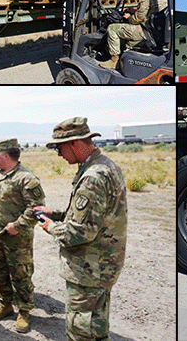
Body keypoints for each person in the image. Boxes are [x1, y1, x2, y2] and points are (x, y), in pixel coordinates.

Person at [34, 117, 128, 341]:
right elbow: (96, 215)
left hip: (89, 269)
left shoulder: (92, 178)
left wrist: (51, 227)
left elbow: (80, 232)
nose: (58, 154)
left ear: (74, 143)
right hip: (102, 266)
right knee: (97, 328)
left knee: (80, 332)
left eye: (59, 147)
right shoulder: (105, 165)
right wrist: (55, 213)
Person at [0, 138, 45, 333]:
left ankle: (24, 311)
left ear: (6, 155)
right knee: (0, 271)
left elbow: (36, 208)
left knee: (20, 274)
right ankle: (5, 304)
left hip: (17, 237)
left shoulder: (26, 178)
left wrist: (17, 225)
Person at [100, 0, 168, 69]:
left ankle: (114, 60)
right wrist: (134, 11)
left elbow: (137, 20)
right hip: (159, 31)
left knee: (112, 28)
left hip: (146, 32)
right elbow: (153, 12)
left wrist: (129, 17)